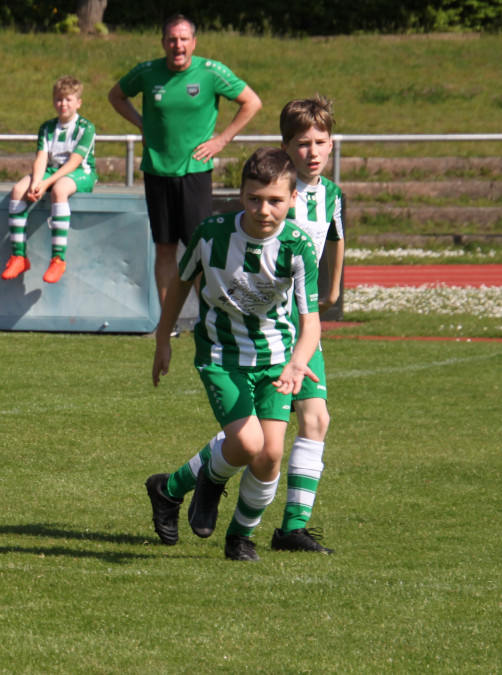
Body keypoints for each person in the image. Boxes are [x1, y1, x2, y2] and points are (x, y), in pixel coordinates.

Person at [146, 147, 320, 561]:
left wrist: (298, 362)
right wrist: (163, 339)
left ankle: (237, 535)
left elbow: (310, 320)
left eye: (275, 201)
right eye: (254, 199)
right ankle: (210, 480)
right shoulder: (211, 234)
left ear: (293, 199)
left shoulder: (298, 246)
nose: (264, 210)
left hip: (276, 359)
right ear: (240, 195)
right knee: (246, 443)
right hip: (221, 355)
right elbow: (182, 284)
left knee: (271, 455)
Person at [108, 13, 262, 307]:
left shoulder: (210, 72)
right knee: (164, 249)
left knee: (198, 248)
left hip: (194, 172)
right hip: (157, 170)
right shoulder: (147, 72)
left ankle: (209, 318)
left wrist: (222, 139)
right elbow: (115, 96)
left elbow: (252, 102)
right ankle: (168, 324)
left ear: (194, 42)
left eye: (183, 39)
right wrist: (142, 124)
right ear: (163, 43)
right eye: (171, 39)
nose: (177, 45)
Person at [269, 95, 344, 554]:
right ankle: (176, 486)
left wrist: (332, 291)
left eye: (320, 142)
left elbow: (335, 236)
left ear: (331, 144)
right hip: (267, 325)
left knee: (316, 418)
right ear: (286, 146)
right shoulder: (276, 189)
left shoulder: (331, 194)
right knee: (262, 438)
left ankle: (292, 528)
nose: (312, 151)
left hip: (304, 324)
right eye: (302, 143)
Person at [1, 75, 97, 284]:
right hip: (52, 170)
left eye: (68, 99)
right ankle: (19, 256)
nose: (63, 104)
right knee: (18, 190)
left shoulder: (85, 127)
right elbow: (41, 158)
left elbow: (74, 162)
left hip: (81, 171)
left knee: (59, 190)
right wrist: (37, 182)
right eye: (59, 99)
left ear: (78, 102)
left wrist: (45, 184)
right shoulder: (46, 127)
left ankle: (58, 258)